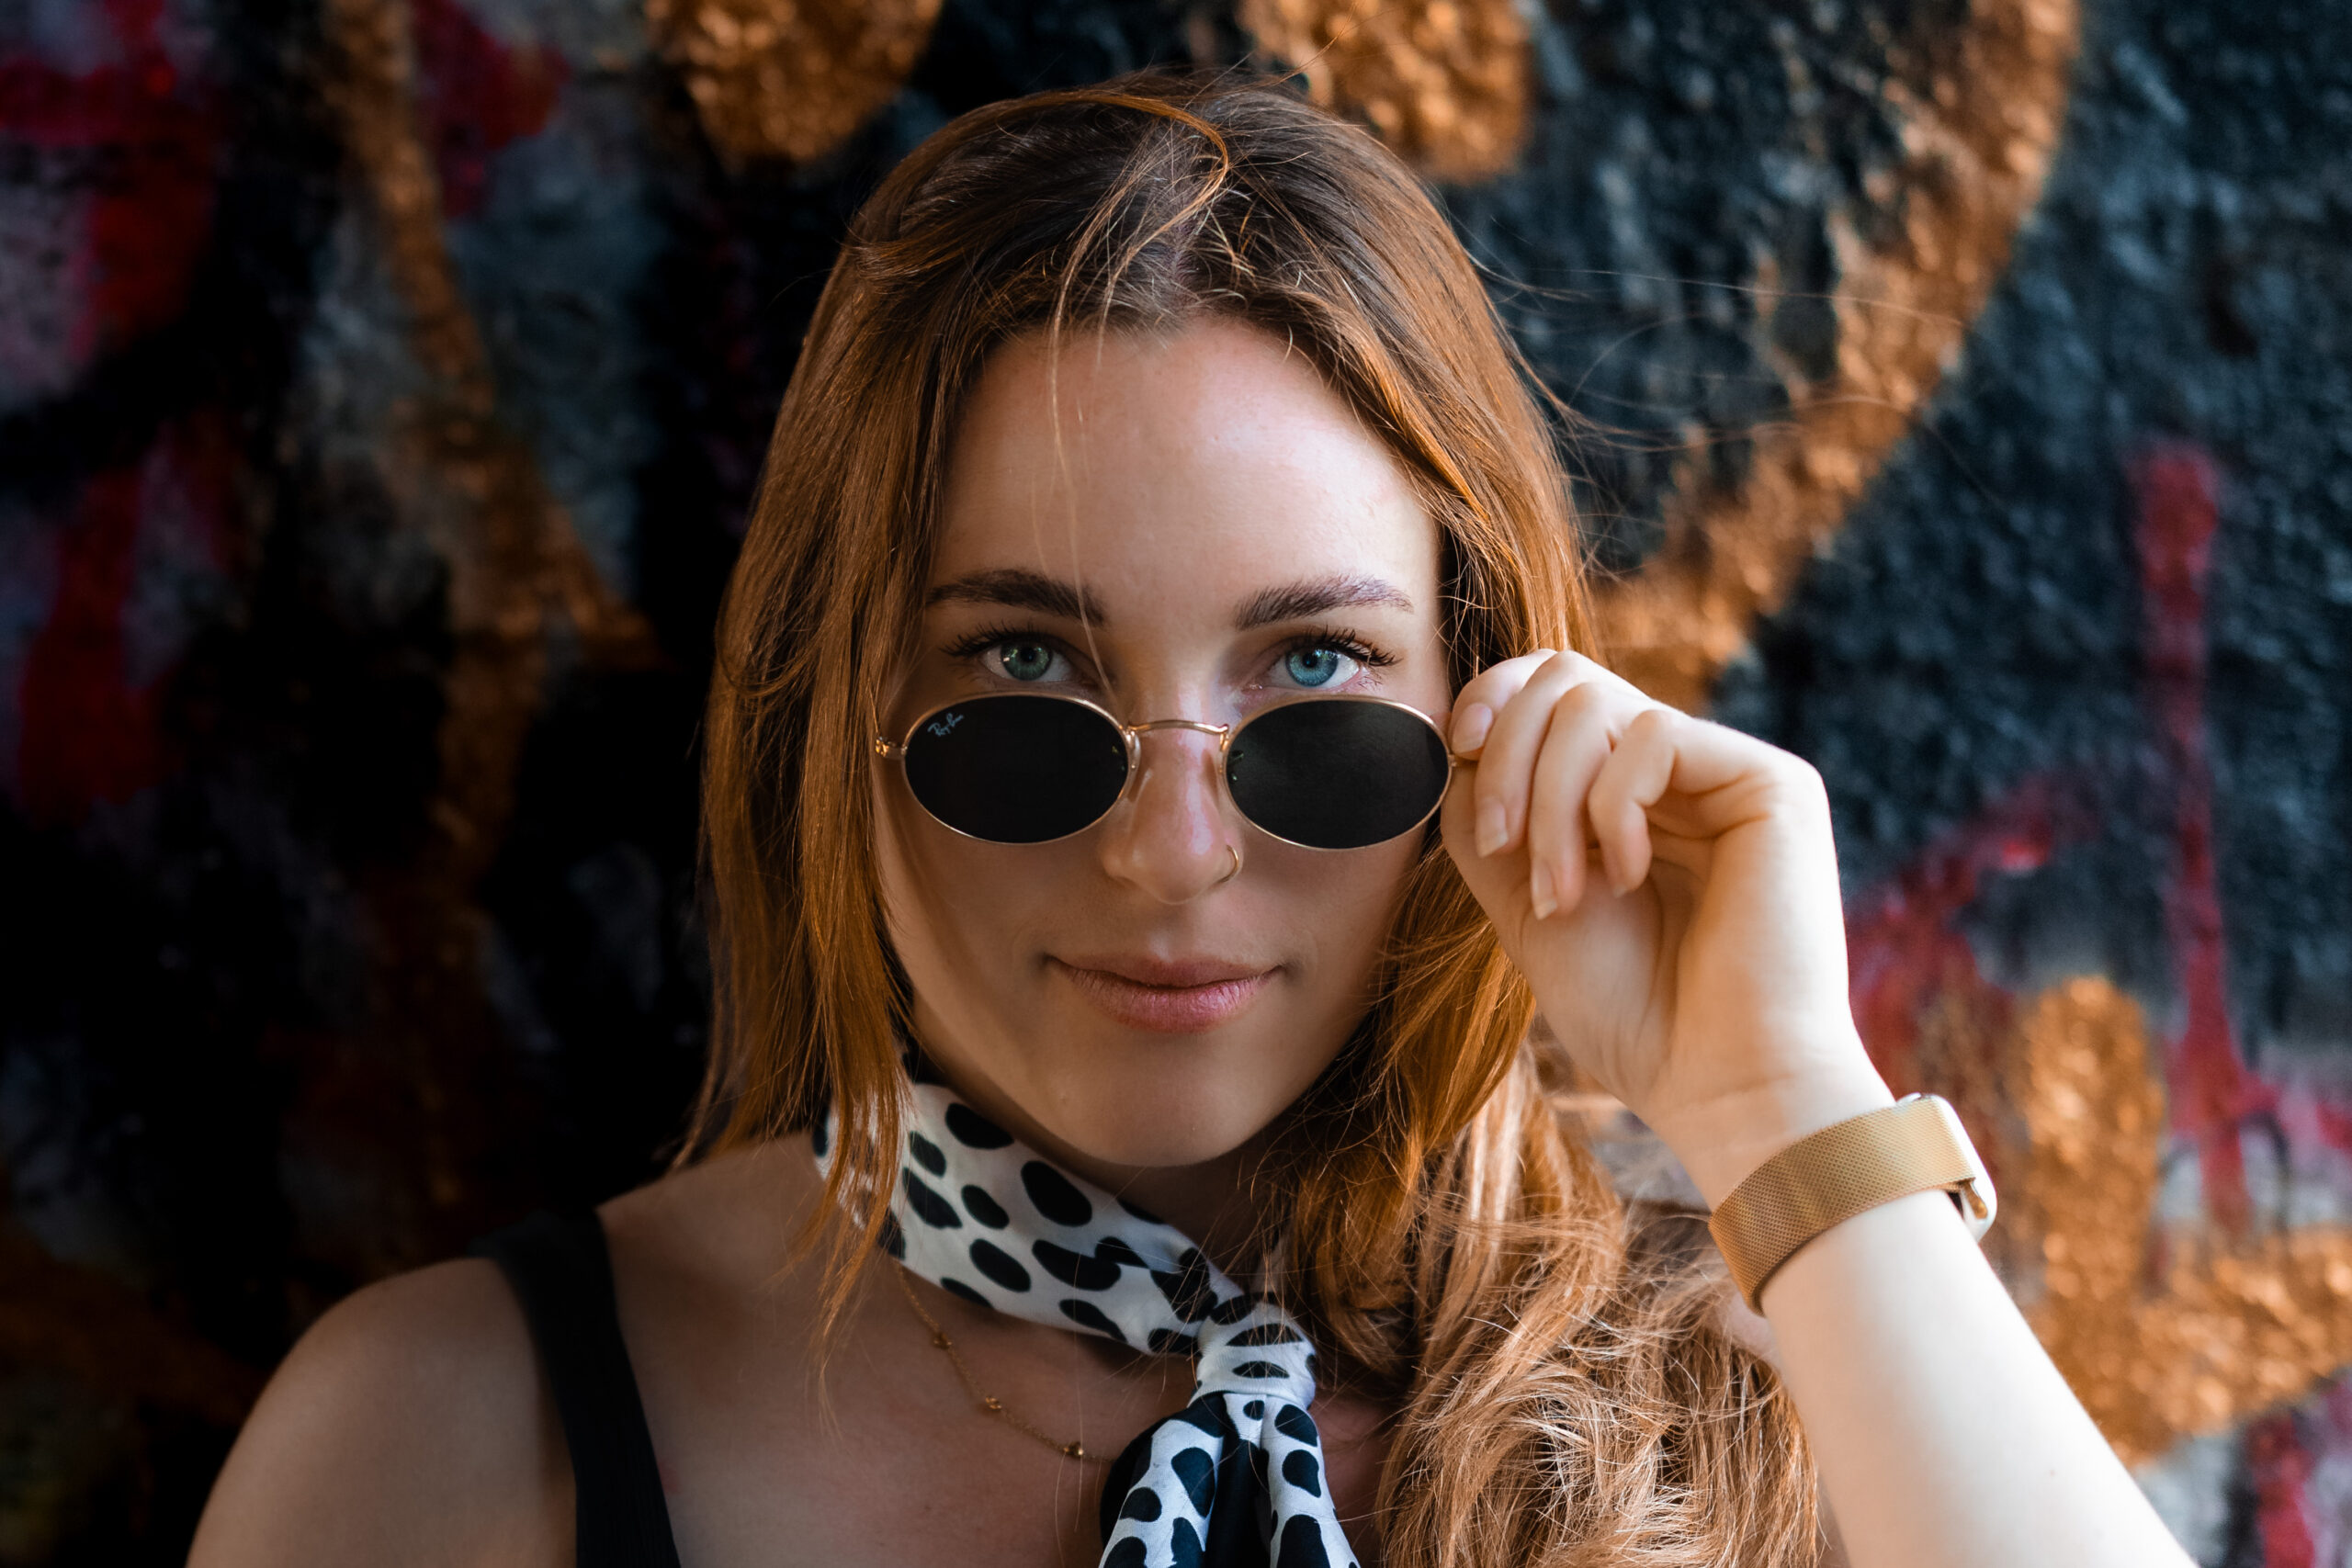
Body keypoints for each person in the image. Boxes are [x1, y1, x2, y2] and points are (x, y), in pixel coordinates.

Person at [189, 73, 2188, 1568]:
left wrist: (1776, 1108)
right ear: (839, 705)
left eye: (1313, 679)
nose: (1170, 852)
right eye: (1025, 678)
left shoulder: (1786, 1383)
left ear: (1486, 702)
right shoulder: (462, 1439)